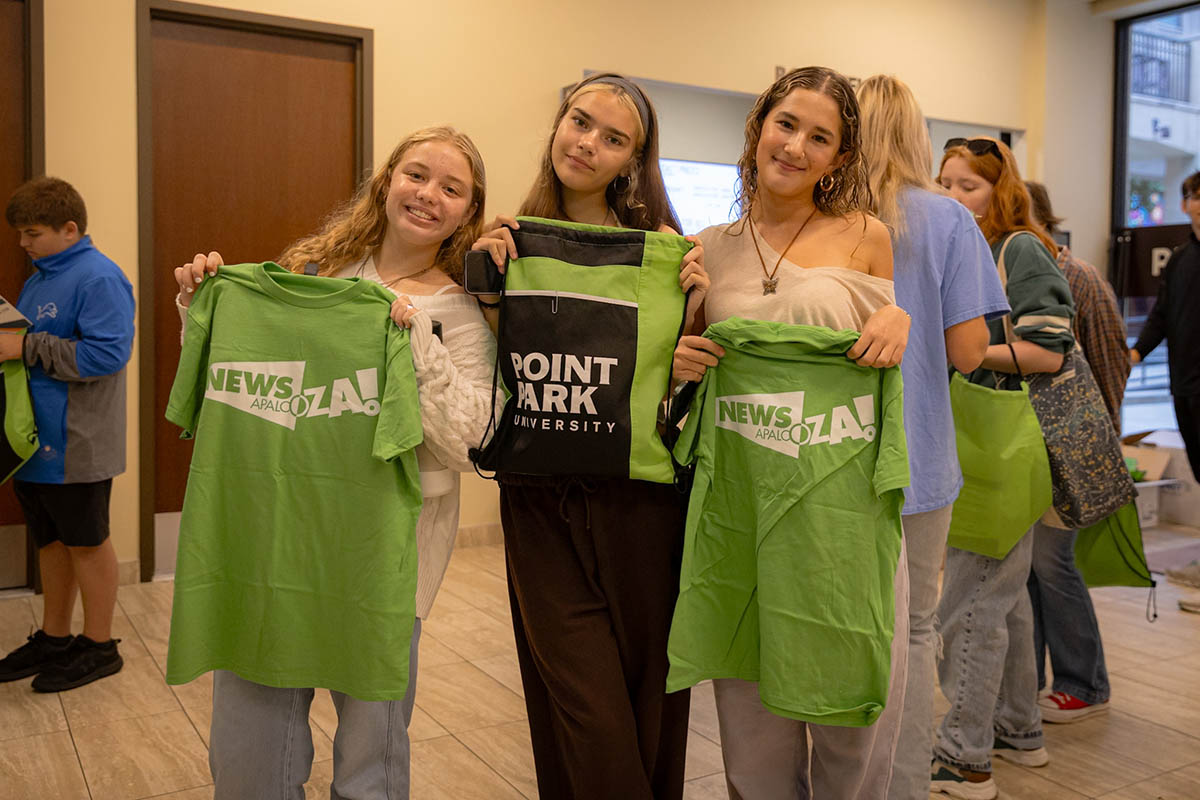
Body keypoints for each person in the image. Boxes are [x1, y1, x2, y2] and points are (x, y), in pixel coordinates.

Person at [172, 125, 496, 800]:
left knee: (372, 739)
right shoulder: (309, 273)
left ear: (470, 210)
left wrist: (413, 346)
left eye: (451, 187)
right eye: (416, 174)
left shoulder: (464, 312)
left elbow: (474, 440)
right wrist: (204, 306)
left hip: (387, 548)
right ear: (386, 183)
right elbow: (247, 380)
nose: (428, 194)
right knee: (256, 715)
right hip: (282, 530)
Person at [671, 66, 913, 800]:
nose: (796, 147)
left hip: (841, 512)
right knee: (751, 726)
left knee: (851, 723)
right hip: (744, 505)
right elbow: (677, 377)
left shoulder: (866, 236)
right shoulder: (705, 248)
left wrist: (901, 320)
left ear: (839, 159)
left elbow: (885, 347)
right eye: (786, 125)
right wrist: (680, 363)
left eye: (820, 138)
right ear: (759, 128)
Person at [471, 72, 707, 800]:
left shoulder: (665, 247)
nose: (589, 144)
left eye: (614, 138)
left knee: (649, 695)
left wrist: (696, 311)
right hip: (539, 501)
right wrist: (484, 282)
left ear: (634, 159)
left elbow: (679, 384)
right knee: (579, 700)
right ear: (557, 125)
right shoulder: (507, 241)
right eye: (580, 122)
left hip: (643, 505)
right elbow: (491, 364)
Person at [854, 76, 1009, 800]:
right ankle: (904, 786)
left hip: (834, 454)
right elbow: (970, 352)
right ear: (918, 137)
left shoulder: (828, 216)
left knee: (842, 625)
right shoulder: (948, 220)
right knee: (914, 630)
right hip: (920, 456)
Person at [932, 138, 1076, 800]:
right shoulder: (969, 250)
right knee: (1003, 599)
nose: (954, 196)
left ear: (1000, 191)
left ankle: (965, 757)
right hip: (987, 442)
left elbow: (1049, 351)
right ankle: (1019, 732)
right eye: (946, 183)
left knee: (970, 605)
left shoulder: (1017, 248)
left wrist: (966, 351)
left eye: (969, 186)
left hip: (1001, 443)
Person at [0, 177, 135, 692]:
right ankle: (55, 638)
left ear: (70, 228)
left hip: (77, 445)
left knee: (86, 543)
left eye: (32, 232)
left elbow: (106, 356)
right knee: (52, 542)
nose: (23, 243)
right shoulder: (38, 278)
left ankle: (99, 647)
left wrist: (27, 346)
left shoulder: (99, 278)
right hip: (33, 443)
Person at [1024, 180, 1128, 722]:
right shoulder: (1006, 272)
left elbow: (1112, 363)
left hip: (1070, 446)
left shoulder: (1079, 276)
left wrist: (1103, 447)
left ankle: (1084, 682)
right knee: (1030, 569)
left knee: (1052, 563)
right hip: (1022, 449)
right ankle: (1038, 681)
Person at [1132, 170, 1200, 485]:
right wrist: (1136, 352)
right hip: (1183, 382)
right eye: (1194, 196)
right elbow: (1160, 315)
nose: (1199, 203)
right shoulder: (1179, 259)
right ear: (1184, 205)